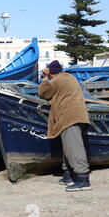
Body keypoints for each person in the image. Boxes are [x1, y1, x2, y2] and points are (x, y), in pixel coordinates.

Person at [39, 60, 91, 192]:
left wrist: (44, 78)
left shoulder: (57, 80)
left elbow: (44, 93)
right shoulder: (69, 77)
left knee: (74, 148)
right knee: (68, 146)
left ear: (51, 72)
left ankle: (83, 179)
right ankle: (68, 175)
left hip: (69, 116)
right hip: (77, 115)